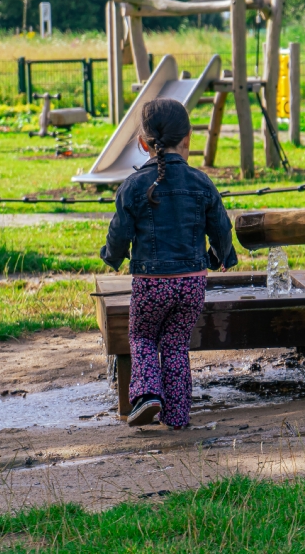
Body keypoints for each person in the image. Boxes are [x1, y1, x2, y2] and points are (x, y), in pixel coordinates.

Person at [101, 98, 238, 428]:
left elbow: (119, 232)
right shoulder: (202, 182)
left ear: (142, 143)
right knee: (176, 346)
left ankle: (147, 395)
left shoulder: (133, 187)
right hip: (192, 283)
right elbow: (221, 226)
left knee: (143, 338)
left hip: (151, 283)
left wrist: (113, 257)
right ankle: (177, 416)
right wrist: (223, 256)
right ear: (189, 137)